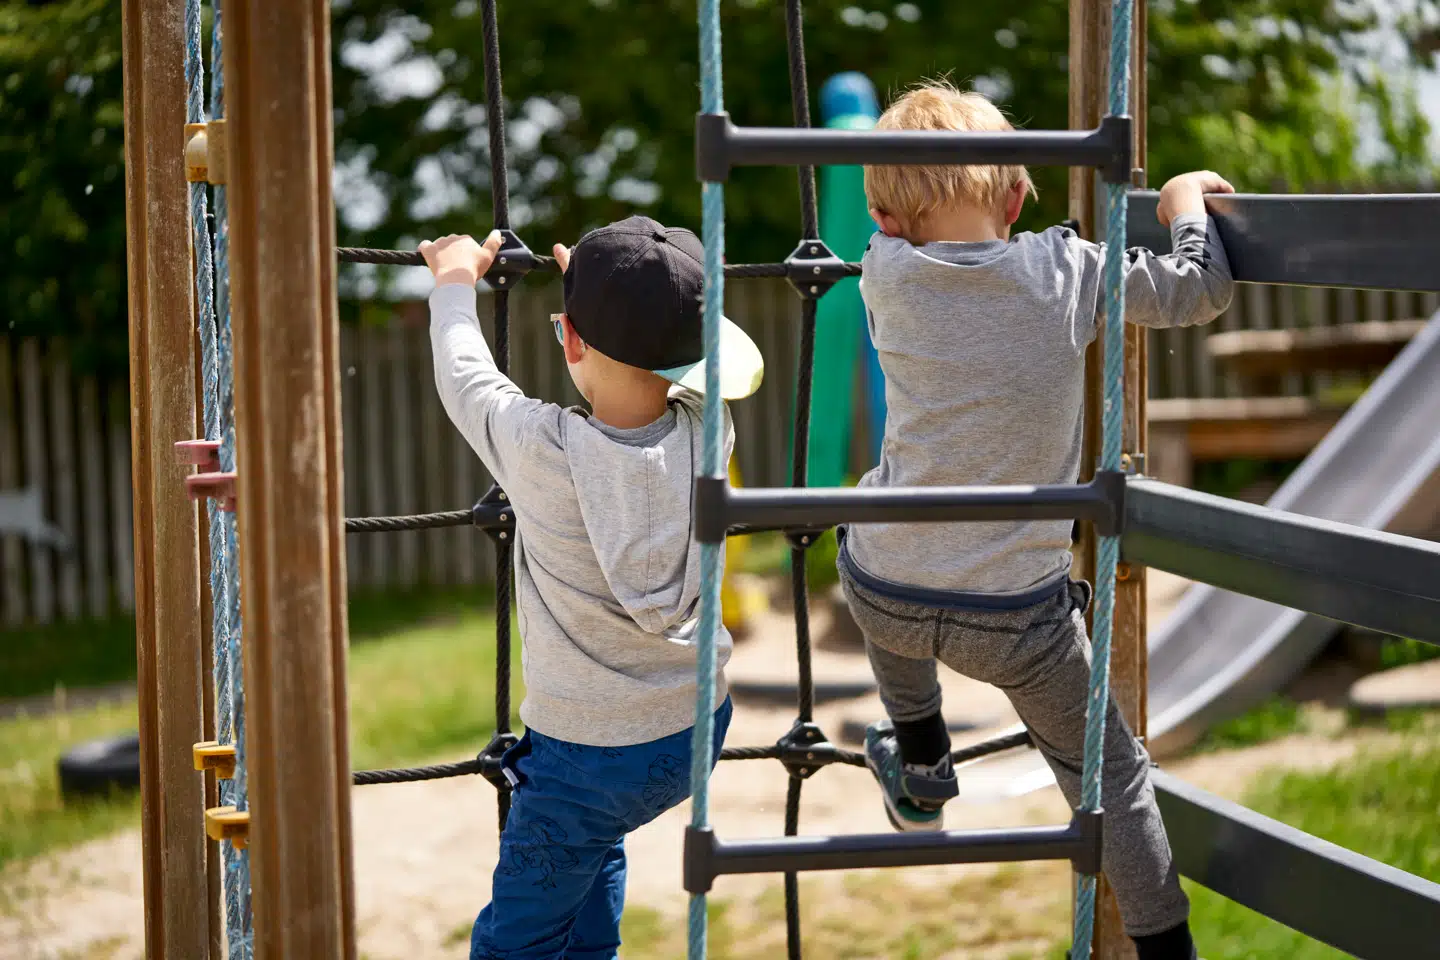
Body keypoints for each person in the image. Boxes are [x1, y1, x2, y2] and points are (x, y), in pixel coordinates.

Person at [837, 81, 1234, 960]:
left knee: (858, 542)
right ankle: (1168, 950)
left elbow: (903, 226)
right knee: (1113, 778)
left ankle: (923, 756)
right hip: (1019, 623)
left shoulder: (882, 273)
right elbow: (1196, 292)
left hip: (889, 591)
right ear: (1018, 199)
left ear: (883, 220)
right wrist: (1181, 206)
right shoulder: (1069, 271)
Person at [421, 215, 765, 960]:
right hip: (694, 732)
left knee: (518, 939)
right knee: (593, 849)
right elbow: (683, 362)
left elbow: (466, 377)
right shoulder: (712, 429)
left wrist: (452, 286)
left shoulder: (542, 448)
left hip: (583, 760)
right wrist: (630, 291)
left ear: (570, 341)